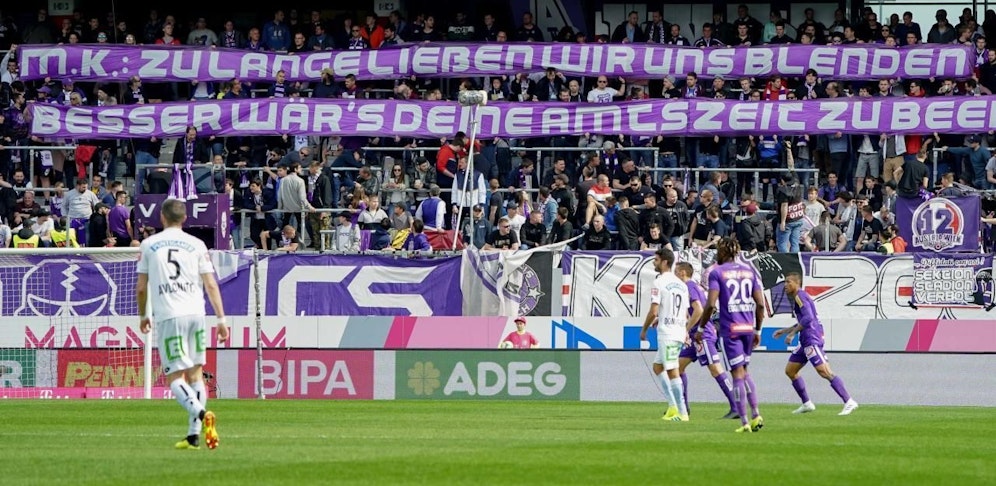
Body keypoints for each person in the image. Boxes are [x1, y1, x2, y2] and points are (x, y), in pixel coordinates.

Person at [137, 198, 229, 450]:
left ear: (162, 218)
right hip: (197, 314)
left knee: (175, 376)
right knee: (196, 373)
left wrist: (144, 315)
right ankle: (193, 435)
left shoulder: (149, 244)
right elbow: (210, 284)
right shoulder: (197, 244)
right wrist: (221, 319)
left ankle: (202, 413)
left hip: (170, 315)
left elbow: (142, 288)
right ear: (185, 219)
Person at [700, 237, 765, 433]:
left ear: (723, 251)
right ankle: (756, 414)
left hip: (731, 329)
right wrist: (758, 330)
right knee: (745, 371)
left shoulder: (717, 273)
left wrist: (702, 329)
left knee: (737, 373)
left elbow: (711, 304)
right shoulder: (749, 271)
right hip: (747, 327)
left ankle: (744, 422)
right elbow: (760, 304)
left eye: (719, 250)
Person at [773, 274, 859, 416]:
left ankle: (849, 401)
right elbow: (805, 319)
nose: (785, 285)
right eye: (784, 282)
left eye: (788, 282)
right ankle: (807, 403)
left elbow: (808, 318)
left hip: (811, 338)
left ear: (797, 283)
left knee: (824, 371)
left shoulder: (799, 296)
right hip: (805, 340)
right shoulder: (800, 297)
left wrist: (792, 334)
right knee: (790, 371)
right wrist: (785, 331)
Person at [674, 262, 738, 419]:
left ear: (682, 273)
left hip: (703, 335)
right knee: (678, 367)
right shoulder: (691, 287)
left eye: (676, 272)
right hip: (697, 336)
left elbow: (699, 311)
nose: (674, 275)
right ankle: (684, 408)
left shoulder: (689, 286)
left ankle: (735, 406)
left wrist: (685, 330)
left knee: (716, 369)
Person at [640, 248, 689, 422]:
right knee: (658, 367)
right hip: (678, 330)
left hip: (668, 333)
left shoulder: (659, 282)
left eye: (656, 260)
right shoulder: (682, 285)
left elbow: (653, 310)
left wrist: (644, 329)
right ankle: (672, 406)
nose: (654, 262)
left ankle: (682, 412)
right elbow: (684, 312)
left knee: (672, 370)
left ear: (664, 262)